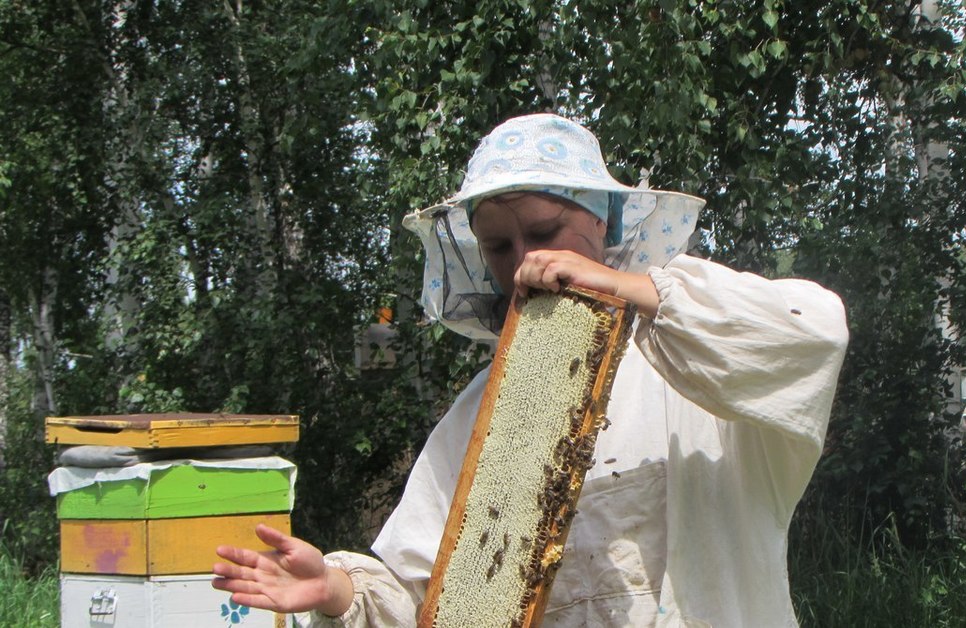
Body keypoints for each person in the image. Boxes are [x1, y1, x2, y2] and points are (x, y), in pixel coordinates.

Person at [212, 113, 848, 627]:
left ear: (603, 221)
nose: (525, 260)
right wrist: (337, 588)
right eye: (499, 245)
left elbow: (810, 332)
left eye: (546, 229)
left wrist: (628, 289)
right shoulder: (480, 417)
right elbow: (429, 595)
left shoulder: (697, 365)